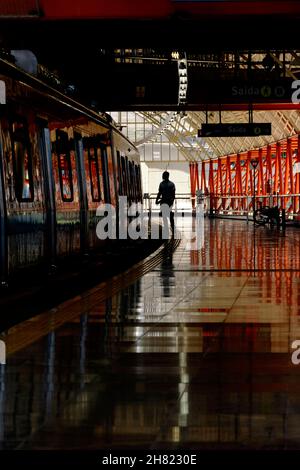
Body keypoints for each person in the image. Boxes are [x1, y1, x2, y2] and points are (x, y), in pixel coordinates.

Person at [155, 171, 176, 235]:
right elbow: (173, 195)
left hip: (163, 202)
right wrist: (172, 203)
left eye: (163, 175)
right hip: (169, 202)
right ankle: (173, 228)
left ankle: (166, 230)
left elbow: (159, 193)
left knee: (164, 217)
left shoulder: (161, 184)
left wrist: (156, 200)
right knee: (170, 216)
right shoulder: (172, 184)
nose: (162, 176)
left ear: (165, 176)